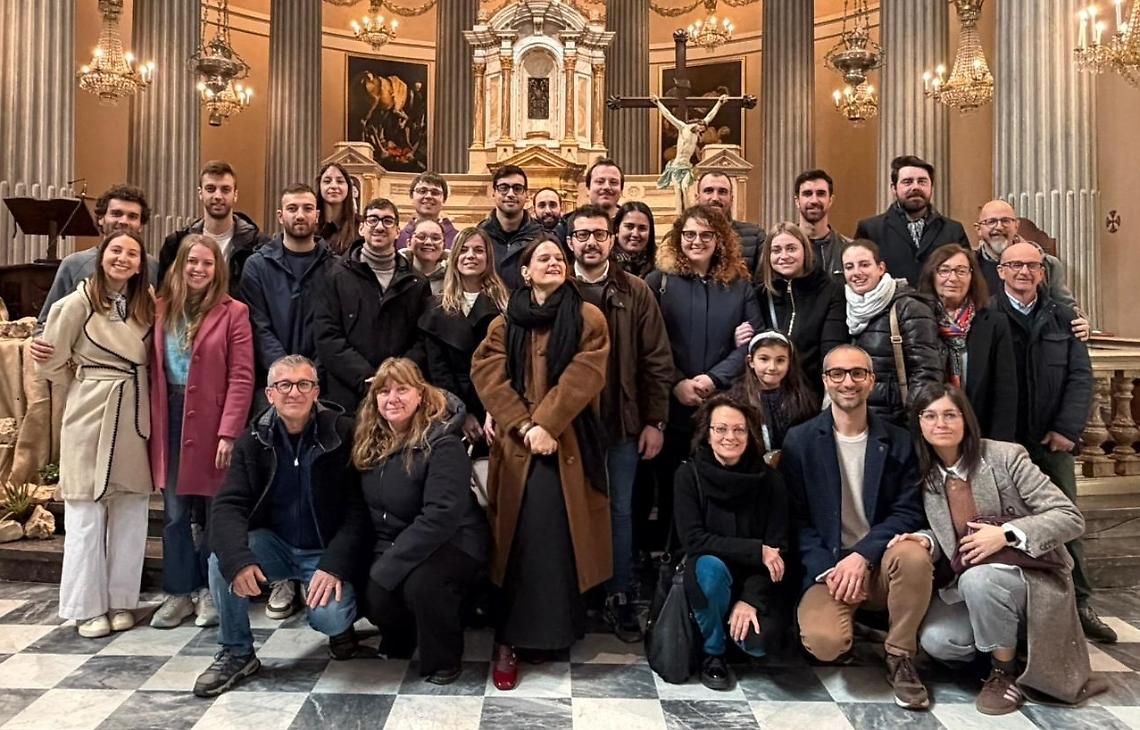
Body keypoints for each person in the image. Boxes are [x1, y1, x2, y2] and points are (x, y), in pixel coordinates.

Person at [903, 384, 1098, 714]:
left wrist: (1006, 533)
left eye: (950, 414)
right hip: (971, 584)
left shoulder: (1006, 456)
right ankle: (1006, 650)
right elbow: (945, 532)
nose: (941, 423)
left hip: (1030, 579)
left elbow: (1069, 517)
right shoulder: (927, 475)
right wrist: (927, 540)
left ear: (966, 419)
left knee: (979, 579)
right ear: (919, 424)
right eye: (930, 416)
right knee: (938, 642)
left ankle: (1002, 674)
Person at [470, 238, 611, 691]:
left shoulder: (589, 317)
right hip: (518, 445)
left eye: (558, 258)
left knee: (559, 538)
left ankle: (554, 633)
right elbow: (487, 375)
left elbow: (587, 372)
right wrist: (525, 425)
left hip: (568, 440)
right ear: (526, 272)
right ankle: (509, 640)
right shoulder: (504, 322)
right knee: (517, 542)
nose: (553, 262)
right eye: (542, 258)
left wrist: (547, 423)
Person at [193, 355, 369, 697]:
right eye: (284, 385)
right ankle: (237, 652)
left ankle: (341, 630)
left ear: (316, 391)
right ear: (270, 394)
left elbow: (358, 509)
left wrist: (334, 565)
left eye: (304, 384)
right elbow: (227, 505)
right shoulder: (252, 440)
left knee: (329, 617)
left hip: (325, 550)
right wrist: (239, 560)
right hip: (274, 545)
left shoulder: (343, 433)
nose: (294, 392)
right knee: (221, 559)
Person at [782, 345, 932, 711]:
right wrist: (829, 569)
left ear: (871, 381)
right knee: (824, 644)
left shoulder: (898, 440)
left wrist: (864, 555)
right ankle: (858, 621)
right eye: (837, 373)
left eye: (857, 373)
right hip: (829, 568)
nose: (847, 382)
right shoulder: (800, 441)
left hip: (879, 561)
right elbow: (795, 519)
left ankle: (900, 655)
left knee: (913, 555)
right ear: (825, 381)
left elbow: (908, 511)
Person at [990, 240, 1113, 643]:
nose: (1023, 272)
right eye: (1015, 265)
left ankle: (1079, 602)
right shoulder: (988, 316)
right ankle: (1018, 609)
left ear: (1043, 272)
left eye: (1032, 265)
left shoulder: (1064, 318)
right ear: (1001, 271)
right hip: (1003, 443)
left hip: (1050, 440)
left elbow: (1081, 377)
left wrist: (1068, 428)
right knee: (1002, 522)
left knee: (1065, 518)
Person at [36, 231, 154, 638]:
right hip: (91, 411)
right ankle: (85, 606)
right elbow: (48, 366)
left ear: (141, 264)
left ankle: (122, 599)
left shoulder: (145, 308)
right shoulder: (73, 304)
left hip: (135, 409)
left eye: (132, 253)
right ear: (102, 257)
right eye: (116, 251)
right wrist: (79, 375)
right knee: (86, 511)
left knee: (132, 510)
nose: (123, 259)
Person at [566, 204, 673, 643]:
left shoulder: (635, 291)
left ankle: (619, 594)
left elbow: (656, 360)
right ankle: (574, 594)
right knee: (568, 509)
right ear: (570, 241)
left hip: (620, 420)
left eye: (598, 234)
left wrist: (656, 421)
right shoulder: (556, 285)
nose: (591, 242)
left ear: (611, 241)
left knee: (620, 511)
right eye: (582, 235)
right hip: (567, 423)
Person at [354, 358, 490, 685]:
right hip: (399, 539)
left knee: (421, 585)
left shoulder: (442, 443)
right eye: (384, 392)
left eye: (402, 389)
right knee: (372, 589)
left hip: (455, 541)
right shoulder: (370, 444)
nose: (393, 398)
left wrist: (391, 562)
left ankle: (443, 660)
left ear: (421, 395)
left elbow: (441, 516)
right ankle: (402, 637)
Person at [149, 235, 255, 630]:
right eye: (192, 261)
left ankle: (212, 591)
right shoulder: (159, 309)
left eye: (207, 263)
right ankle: (179, 592)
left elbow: (242, 377)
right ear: (179, 265)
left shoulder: (234, 312)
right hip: (170, 416)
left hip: (213, 422)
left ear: (218, 269)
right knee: (175, 514)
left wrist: (230, 432)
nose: (198, 269)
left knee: (215, 513)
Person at [646, 204, 761, 548]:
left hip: (722, 402)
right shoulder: (659, 282)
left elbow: (755, 342)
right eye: (690, 234)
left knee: (717, 486)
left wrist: (714, 378)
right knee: (671, 487)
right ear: (679, 238)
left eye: (706, 234)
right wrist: (677, 382)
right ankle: (670, 562)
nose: (697, 241)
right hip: (673, 404)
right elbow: (651, 342)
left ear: (720, 239)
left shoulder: (739, 285)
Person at [674, 394, 790, 690]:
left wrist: (749, 599)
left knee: (758, 645)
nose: (730, 437)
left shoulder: (770, 481)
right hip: (708, 572)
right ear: (708, 433)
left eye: (739, 430)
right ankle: (714, 652)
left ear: (750, 434)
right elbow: (694, 540)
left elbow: (779, 549)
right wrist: (756, 550)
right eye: (721, 429)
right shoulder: (689, 475)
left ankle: (733, 631)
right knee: (709, 568)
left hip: (755, 580)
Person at [315, 197, 432, 414]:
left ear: (398, 231)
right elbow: (327, 336)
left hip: (400, 395)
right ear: (362, 228)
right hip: (347, 395)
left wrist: (394, 378)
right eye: (373, 220)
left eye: (388, 221)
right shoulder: (335, 276)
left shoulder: (416, 282)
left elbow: (422, 339)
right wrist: (366, 379)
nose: (380, 226)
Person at [417, 226, 509, 443]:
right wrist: (462, 413)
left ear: (488, 257)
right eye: (464, 250)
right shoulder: (435, 308)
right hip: (450, 409)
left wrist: (493, 409)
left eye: (478, 250)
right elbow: (437, 369)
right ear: (454, 256)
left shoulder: (506, 305)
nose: (471, 256)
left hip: (496, 408)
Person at [916, 244, 1017, 440]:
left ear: (972, 277)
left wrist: (1000, 443)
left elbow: (1005, 391)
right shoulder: (918, 320)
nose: (952, 278)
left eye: (961, 271)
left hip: (979, 430)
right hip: (928, 430)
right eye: (944, 270)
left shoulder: (994, 323)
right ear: (932, 275)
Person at [240, 182, 333, 386]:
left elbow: (335, 329)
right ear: (280, 216)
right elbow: (258, 326)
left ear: (317, 215)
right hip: (272, 381)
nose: (300, 215)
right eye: (292, 208)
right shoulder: (257, 266)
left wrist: (311, 375)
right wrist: (286, 375)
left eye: (307, 208)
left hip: (321, 381)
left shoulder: (335, 267)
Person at [841, 239, 943, 424]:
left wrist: (913, 420)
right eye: (849, 267)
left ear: (881, 268)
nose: (856, 273)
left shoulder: (909, 307)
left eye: (864, 265)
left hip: (898, 423)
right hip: (859, 420)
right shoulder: (846, 307)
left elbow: (926, 373)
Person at [740, 222, 846, 394]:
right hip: (765, 391)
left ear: (805, 250)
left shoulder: (830, 291)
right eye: (776, 250)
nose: (784, 256)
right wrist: (741, 338)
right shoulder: (758, 293)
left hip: (809, 391)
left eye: (791, 248)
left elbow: (831, 350)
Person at [36, 184, 158, 331]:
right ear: (101, 219)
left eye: (132, 216)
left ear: (140, 225)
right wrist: (39, 341)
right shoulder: (74, 264)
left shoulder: (152, 266)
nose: (124, 221)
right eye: (116, 214)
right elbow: (45, 323)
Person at [157, 160, 269, 296]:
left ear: (235, 194)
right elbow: (165, 295)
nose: (218, 196)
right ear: (200, 193)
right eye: (210, 189)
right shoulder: (175, 243)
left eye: (225, 189)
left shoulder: (259, 245)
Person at [854, 155, 970, 285]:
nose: (915, 187)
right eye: (907, 182)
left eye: (922, 181)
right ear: (894, 188)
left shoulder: (953, 230)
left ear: (931, 187)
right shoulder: (870, 229)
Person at [729, 331, 819, 461]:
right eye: (764, 359)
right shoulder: (737, 399)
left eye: (780, 360)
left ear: (789, 362)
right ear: (751, 361)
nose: (772, 367)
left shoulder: (803, 399)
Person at [973, 199, 1077, 309]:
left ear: (1016, 226)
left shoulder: (1047, 264)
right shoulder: (968, 266)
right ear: (978, 229)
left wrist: (1080, 321)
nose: (999, 227)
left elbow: (1066, 306)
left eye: (1005, 221)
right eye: (991, 221)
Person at [651, 94, 728, 213]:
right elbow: (668, 115)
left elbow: (710, 115)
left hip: (686, 166)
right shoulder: (683, 128)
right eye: (701, 128)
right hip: (676, 166)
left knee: (685, 187)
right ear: (698, 124)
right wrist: (657, 103)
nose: (701, 132)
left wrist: (719, 102)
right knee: (677, 190)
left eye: (702, 130)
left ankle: (687, 213)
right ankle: (679, 215)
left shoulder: (698, 131)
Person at [478, 165, 544, 291]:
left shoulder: (541, 237)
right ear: (493, 193)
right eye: (503, 188)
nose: (510, 194)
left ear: (527, 195)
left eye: (517, 188)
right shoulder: (480, 236)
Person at [695, 171, 764, 276]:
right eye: (708, 191)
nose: (715, 198)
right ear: (697, 197)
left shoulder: (756, 237)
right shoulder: (683, 238)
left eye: (722, 192)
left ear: (731, 199)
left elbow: (763, 285)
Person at [794, 169, 849, 279]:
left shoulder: (847, 248)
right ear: (797, 201)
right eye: (807, 194)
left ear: (830, 200)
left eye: (821, 194)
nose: (814, 200)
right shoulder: (780, 251)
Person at [395, 171, 459, 250]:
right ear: (412, 196)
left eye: (435, 192)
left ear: (444, 199)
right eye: (422, 191)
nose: (428, 196)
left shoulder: (457, 239)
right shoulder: (397, 238)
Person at [316, 161, 358, 256]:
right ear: (320, 187)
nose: (334, 186)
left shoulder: (360, 226)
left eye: (340, 181)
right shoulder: (310, 225)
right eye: (327, 181)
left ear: (348, 188)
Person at [400, 218, 450, 295]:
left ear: (444, 245)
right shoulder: (396, 275)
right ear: (409, 243)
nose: (428, 242)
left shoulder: (453, 278)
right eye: (421, 237)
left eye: (436, 238)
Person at [611, 201, 657, 279]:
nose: (635, 234)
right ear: (617, 229)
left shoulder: (661, 269)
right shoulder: (603, 265)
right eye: (629, 227)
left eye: (642, 228)